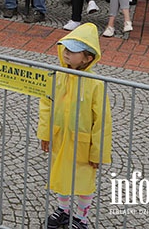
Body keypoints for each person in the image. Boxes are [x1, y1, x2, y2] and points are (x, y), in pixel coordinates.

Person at [38, 23, 112, 229]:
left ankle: (82, 217)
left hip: (83, 144)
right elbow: (46, 104)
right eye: (66, 49)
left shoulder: (95, 84)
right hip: (61, 138)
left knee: (83, 181)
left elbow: (102, 120)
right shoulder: (57, 75)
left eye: (73, 51)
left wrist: (98, 152)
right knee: (62, 174)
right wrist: (45, 133)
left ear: (88, 57)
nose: (67, 54)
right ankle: (64, 210)